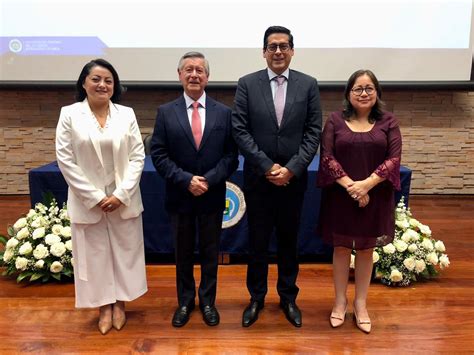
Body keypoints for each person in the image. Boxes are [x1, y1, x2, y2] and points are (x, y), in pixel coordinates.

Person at [232, 26, 322, 328]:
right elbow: (240, 130)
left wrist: (292, 169)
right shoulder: (247, 84)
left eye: (284, 46)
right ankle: (256, 297)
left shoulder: (308, 85)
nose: (278, 51)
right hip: (259, 180)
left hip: (294, 182)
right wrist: (268, 166)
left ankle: (288, 296)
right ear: (264, 52)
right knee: (256, 242)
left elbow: (312, 133)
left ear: (293, 50)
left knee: (288, 241)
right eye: (272, 46)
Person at [55, 59, 147, 335]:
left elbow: (137, 156)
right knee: (94, 255)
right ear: (83, 83)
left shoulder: (126, 114)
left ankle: (120, 303)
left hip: (123, 198)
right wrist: (95, 197)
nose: (102, 85)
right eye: (96, 79)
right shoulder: (69, 114)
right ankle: (103, 306)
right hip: (89, 201)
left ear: (114, 85)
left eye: (108, 80)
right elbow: (65, 159)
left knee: (124, 251)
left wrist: (120, 194)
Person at [150, 52, 238, 328]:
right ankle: (185, 302)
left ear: (207, 77)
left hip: (212, 196)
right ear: (179, 75)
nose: (194, 75)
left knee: (211, 253)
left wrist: (209, 180)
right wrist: (186, 179)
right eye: (188, 69)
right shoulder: (165, 112)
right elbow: (159, 154)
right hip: (180, 196)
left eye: (200, 70)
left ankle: (208, 302)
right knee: (183, 254)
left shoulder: (224, 113)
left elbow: (231, 156)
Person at [317, 69, 402, 333]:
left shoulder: (389, 122)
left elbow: (394, 159)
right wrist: (352, 188)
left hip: (375, 196)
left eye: (369, 88)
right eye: (358, 89)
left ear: (377, 93)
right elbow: (327, 157)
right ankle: (340, 303)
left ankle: (361, 304)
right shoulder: (334, 120)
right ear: (348, 93)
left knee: (366, 250)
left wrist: (366, 185)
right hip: (340, 197)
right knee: (341, 249)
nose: (363, 93)